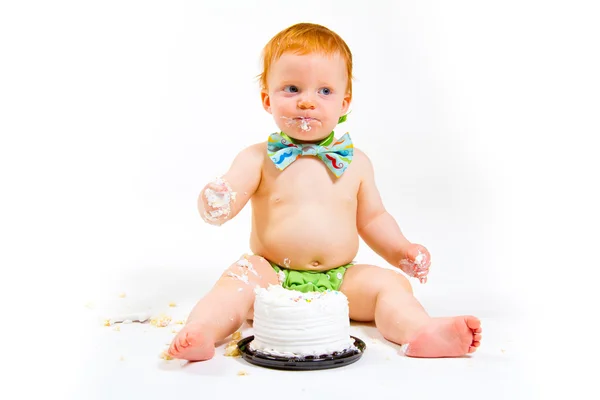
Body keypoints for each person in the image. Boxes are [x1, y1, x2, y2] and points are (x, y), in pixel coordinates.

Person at [168, 22, 481, 361]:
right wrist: (215, 200)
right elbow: (228, 196)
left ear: (345, 102)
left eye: (325, 91)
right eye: (291, 88)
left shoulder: (357, 163)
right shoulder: (256, 158)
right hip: (271, 275)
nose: (307, 102)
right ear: (266, 99)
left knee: (390, 287)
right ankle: (201, 331)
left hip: (341, 279)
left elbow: (374, 218)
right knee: (234, 283)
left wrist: (401, 250)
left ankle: (421, 331)